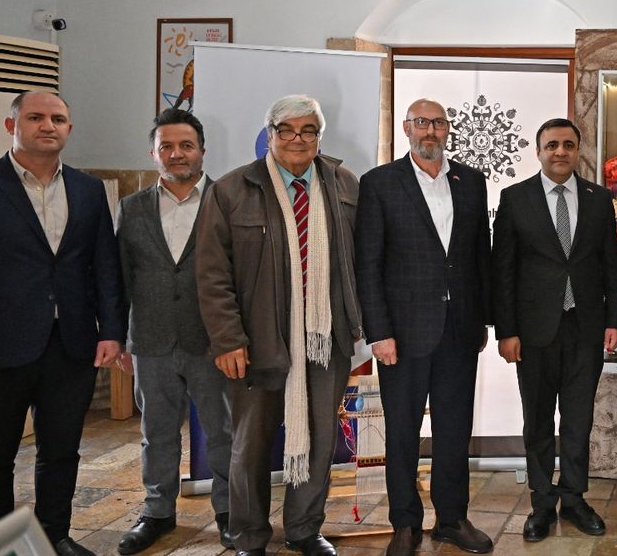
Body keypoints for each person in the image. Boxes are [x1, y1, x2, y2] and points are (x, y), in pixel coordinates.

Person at [197, 94, 361, 556]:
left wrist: (358, 323)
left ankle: (305, 528)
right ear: (269, 134)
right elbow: (212, 274)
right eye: (286, 129)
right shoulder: (231, 190)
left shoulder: (345, 184)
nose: (297, 139)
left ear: (319, 137)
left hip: (325, 339)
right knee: (250, 443)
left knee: (321, 438)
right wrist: (228, 339)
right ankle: (249, 535)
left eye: (308, 130)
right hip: (256, 341)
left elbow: (361, 259)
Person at [355, 98, 494, 555]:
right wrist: (378, 333)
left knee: (454, 430)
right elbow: (368, 264)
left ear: (447, 128)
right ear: (406, 128)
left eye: (437, 122)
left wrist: (483, 320)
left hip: (459, 331)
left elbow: (480, 255)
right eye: (421, 122)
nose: (430, 130)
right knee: (402, 432)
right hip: (402, 334)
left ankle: (452, 519)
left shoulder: (471, 181)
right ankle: (405, 524)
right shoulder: (379, 183)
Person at [0, 91, 123, 556]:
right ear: (12, 126)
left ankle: (55, 537)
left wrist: (111, 330)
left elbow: (104, 265)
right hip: (3, 343)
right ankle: (7, 543)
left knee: (61, 450)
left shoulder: (89, 190)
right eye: (36, 117)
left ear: (68, 128)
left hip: (71, 342)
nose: (48, 126)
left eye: (58, 118)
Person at [492, 118, 617, 542]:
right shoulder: (515, 198)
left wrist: (614, 320)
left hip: (586, 328)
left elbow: (611, 264)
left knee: (579, 420)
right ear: (539, 151)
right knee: (537, 420)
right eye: (552, 145)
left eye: (568, 144)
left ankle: (575, 498)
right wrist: (506, 331)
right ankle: (542, 503)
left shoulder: (599, 199)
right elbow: (503, 270)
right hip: (533, 333)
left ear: (578, 150)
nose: (560, 151)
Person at [115, 109, 232, 554]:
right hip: (152, 340)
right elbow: (121, 277)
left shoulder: (227, 201)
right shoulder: (132, 208)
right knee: (157, 433)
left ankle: (229, 512)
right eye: (166, 146)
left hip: (214, 341)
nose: (177, 153)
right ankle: (157, 513)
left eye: (186, 145)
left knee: (223, 432)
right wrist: (122, 337)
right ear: (153, 153)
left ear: (202, 150)